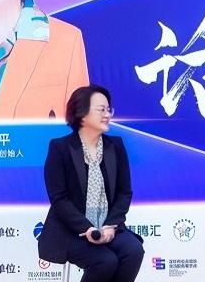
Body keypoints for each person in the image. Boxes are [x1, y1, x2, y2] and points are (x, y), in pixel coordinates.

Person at [39, 85, 144, 282]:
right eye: (101, 110)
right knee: (105, 261)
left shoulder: (116, 146)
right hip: (71, 230)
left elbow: (124, 193)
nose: (107, 115)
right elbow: (59, 198)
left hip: (109, 226)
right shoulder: (60, 148)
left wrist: (111, 225)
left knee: (133, 251)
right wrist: (87, 228)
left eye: (108, 110)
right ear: (81, 113)